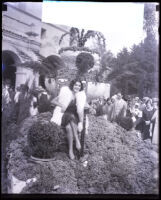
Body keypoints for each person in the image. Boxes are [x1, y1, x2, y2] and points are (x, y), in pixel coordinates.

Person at [50, 79, 86, 160]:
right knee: (69, 115)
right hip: (64, 115)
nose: (77, 87)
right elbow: (53, 101)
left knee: (69, 128)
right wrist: (62, 105)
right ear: (72, 85)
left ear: (81, 87)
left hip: (74, 118)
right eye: (76, 85)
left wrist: (81, 121)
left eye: (79, 86)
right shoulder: (66, 93)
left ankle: (70, 151)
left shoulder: (81, 96)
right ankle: (77, 140)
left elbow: (85, 107)